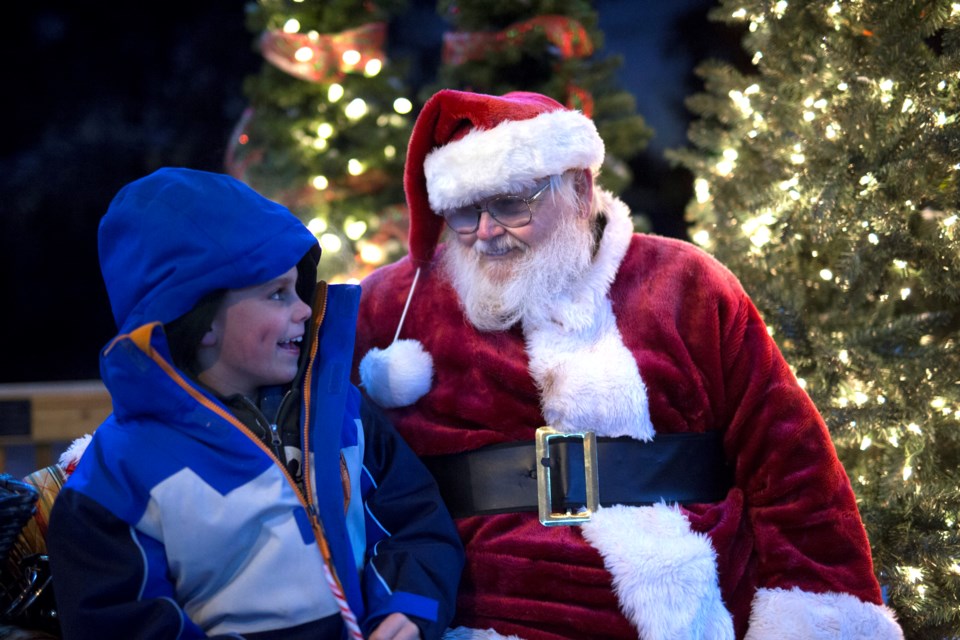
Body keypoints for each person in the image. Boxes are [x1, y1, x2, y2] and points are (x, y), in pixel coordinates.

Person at [351, 90, 904, 640]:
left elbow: (789, 462)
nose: (488, 232)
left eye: (512, 205)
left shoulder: (684, 282)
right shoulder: (392, 306)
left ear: (579, 188)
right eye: (467, 213)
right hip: (488, 612)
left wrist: (814, 615)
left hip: (694, 608)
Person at [46, 167, 464, 640]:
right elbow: (119, 621)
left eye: (297, 288)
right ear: (201, 320)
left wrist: (405, 609)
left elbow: (414, 522)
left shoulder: (343, 416)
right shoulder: (120, 474)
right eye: (277, 294)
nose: (305, 308)